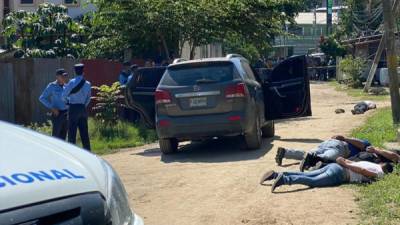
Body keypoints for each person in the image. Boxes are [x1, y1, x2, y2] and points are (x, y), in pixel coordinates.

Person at [260, 157, 393, 193]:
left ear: (382, 163)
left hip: (335, 166)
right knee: (312, 181)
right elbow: (363, 172)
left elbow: (355, 163)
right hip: (341, 173)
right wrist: (346, 165)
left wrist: (343, 160)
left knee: (310, 174)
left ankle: (276, 174)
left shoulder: (372, 164)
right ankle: (284, 179)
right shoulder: (380, 174)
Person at [275, 135, 371, 171]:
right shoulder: (366, 144)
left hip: (327, 144)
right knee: (325, 158)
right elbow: (362, 145)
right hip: (340, 147)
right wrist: (344, 138)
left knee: (309, 154)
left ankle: (285, 152)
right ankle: (310, 162)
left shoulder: (352, 140)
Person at [62, 63, 92, 151]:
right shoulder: (87, 83)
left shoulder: (71, 82)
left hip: (73, 108)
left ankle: (72, 153)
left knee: (72, 133)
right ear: (83, 72)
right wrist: (83, 106)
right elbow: (88, 98)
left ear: (75, 72)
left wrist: (68, 102)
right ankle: (88, 152)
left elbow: (63, 96)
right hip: (82, 108)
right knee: (84, 133)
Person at [39, 69, 69, 140]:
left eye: (65, 76)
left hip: (66, 114)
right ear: (57, 77)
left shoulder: (66, 86)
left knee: (63, 136)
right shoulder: (52, 86)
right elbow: (42, 98)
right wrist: (52, 108)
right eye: (62, 76)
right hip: (57, 114)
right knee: (56, 137)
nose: (64, 78)